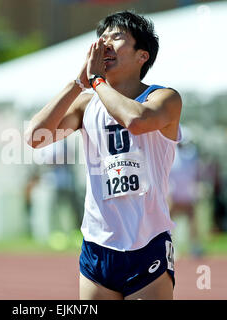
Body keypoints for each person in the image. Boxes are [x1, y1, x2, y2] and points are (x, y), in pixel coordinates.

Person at [25, 11, 182, 300]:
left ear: (142, 56)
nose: (106, 43)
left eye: (117, 37)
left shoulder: (164, 97)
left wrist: (98, 81)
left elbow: (136, 121)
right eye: (103, 37)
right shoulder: (86, 104)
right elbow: (35, 137)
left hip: (148, 242)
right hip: (98, 246)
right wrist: (79, 83)